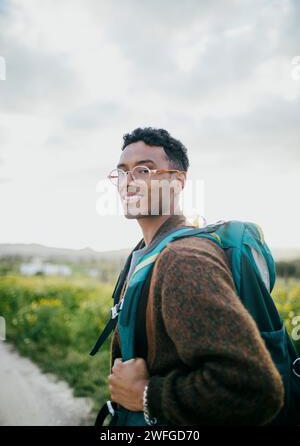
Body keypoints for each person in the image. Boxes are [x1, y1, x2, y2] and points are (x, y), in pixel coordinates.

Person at [107, 127, 284, 425]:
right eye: (122, 172)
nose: (129, 182)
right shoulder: (148, 252)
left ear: (177, 182)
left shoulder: (182, 260)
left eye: (144, 170)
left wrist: (147, 395)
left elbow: (254, 388)